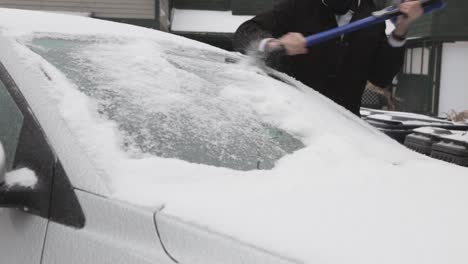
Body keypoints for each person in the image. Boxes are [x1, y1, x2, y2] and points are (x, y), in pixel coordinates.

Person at [233, 0, 423, 115]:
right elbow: (245, 32)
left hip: (344, 130)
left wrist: (400, 30)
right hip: (292, 122)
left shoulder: (371, 19)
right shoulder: (297, 7)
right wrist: (274, 44)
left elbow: (380, 77)